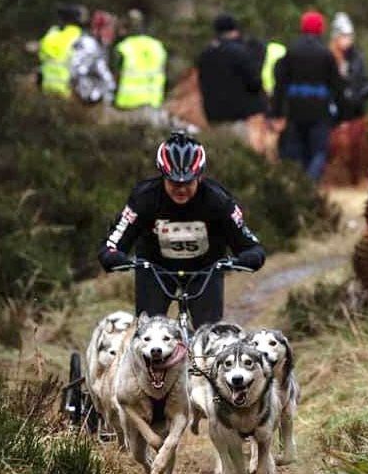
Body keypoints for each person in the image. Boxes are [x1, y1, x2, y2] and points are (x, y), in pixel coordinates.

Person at [98, 131, 265, 328]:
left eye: (188, 182)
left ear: (200, 177)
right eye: (174, 182)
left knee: (210, 335)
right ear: (162, 176)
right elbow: (115, 241)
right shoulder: (144, 198)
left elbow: (248, 244)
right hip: (155, 270)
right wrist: (112, 255)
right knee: (149, 335)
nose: (181, 189)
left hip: (205, 271)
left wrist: (250, 256)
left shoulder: (217, 200)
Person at [271, 10, 343, 181]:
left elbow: (280, 84)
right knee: (318, 151)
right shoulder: (326, 54)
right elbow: (337, 87)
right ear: (321, 29)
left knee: (296, 151)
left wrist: (277, 113)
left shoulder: (291, 51)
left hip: (295, 110)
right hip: (319, 111)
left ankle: (298, 186)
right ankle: (310, 185)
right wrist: (342, 116)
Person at [328, 12, 368, 184]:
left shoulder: (357, 57)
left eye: (349, 36)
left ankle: (354, 177)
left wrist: (360, 93)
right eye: (343, 36)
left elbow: (359, 79)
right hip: (334, 107)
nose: (347, 40)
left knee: (356, 143)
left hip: (353, 107)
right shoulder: (329, 55)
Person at [197, 13, 266, 123]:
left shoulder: (205, 54)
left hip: (214, 114)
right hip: (241, 113)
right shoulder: (240, 52)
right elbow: (254, 82)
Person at [113, 9, 167, 110]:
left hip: (127, 105)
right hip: (153, 104)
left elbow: (115, 76)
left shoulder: (123, 47)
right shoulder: (157, 46)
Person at [70, 10, 116, 105]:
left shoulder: (100, 46)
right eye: (107, 27)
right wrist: (94, 94)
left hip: (100, 98)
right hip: (89, 100)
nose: (110, 31)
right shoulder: (88, 45)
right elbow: (78, 71)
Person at [38, 4, 84, 97]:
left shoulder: (51, 34)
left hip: (46, 88)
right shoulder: (79, 37)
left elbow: (41, 56)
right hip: (67, 92)